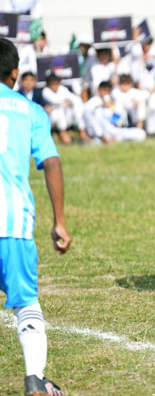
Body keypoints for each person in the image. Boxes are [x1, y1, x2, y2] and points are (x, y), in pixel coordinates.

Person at [0, 37, 72, 395]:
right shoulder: (29, 111)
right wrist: (59, 222)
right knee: (26, 302)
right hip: (11, 223)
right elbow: (51, 162)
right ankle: (33, 380)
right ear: (15, 74)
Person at [42, 74, 85, 145]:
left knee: (77, 105)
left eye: (56, 84)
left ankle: (83, 134)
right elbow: (55, 101)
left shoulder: (62, 89)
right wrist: (64, 101)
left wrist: (67, 101)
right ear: (48, 84)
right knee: (58, 111)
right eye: (52, 84)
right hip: (52, 119)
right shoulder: (45, 91)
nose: (54, 86)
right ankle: (64, 135)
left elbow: (73, 98)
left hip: (66, 116)